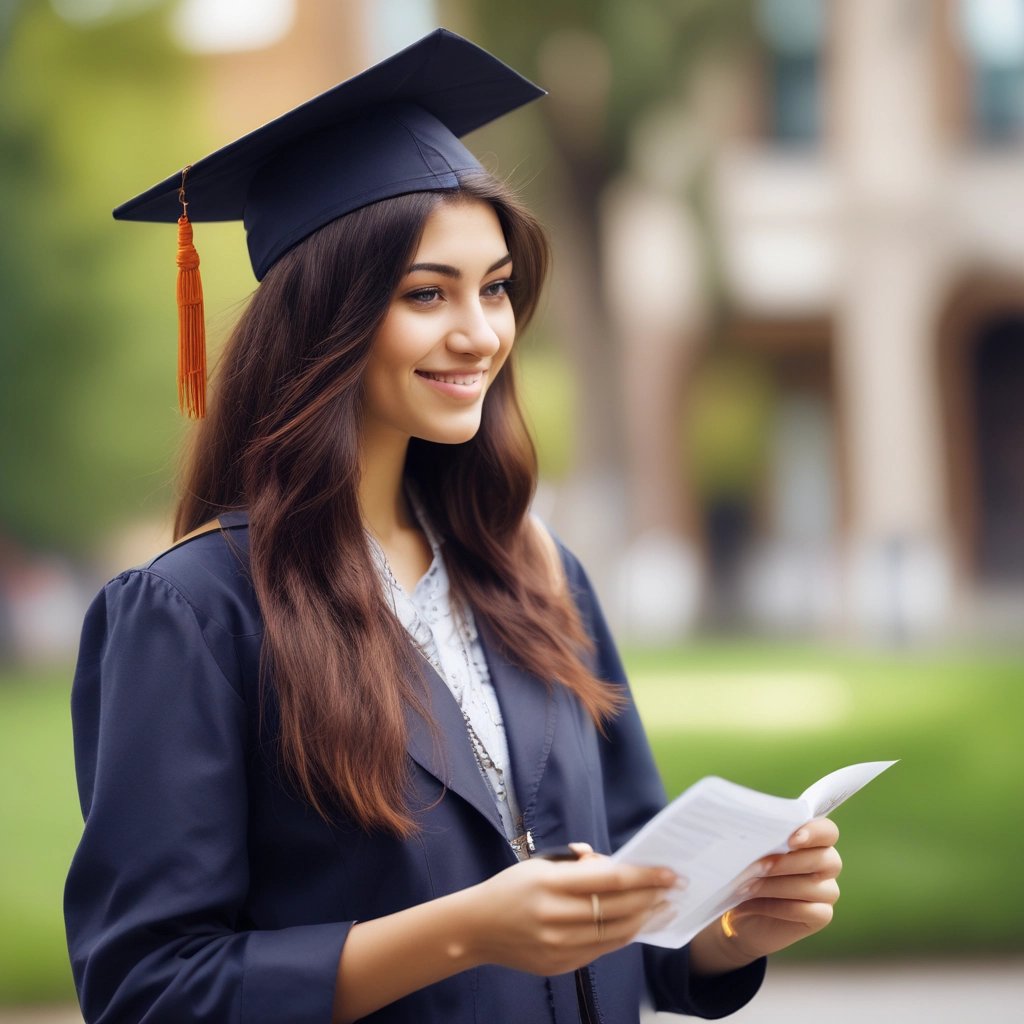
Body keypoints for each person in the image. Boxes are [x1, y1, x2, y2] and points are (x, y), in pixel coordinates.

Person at [64, 29, 842, 1024]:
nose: (479, 332)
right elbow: (150, 990)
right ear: (326, 317)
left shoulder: (534, 571)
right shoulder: (193, 615)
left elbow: (632, 891)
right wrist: (467, 929)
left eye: (496, 286)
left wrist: (729, 928)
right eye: (426, 293)